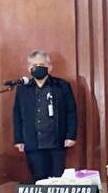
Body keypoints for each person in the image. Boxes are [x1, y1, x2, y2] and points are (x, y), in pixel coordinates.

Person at [12, 51, 77, 181]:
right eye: (34, 65)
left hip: (56, 142)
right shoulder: (23, 89)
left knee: (57, 181)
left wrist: (71, 135)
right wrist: (19, 139)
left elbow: (71, 112)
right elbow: (17, 114)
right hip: (33, 143)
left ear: (50, 67)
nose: (38, 68)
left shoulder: (61, 86)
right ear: (29, 68)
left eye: (41, 65)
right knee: (39, 180)